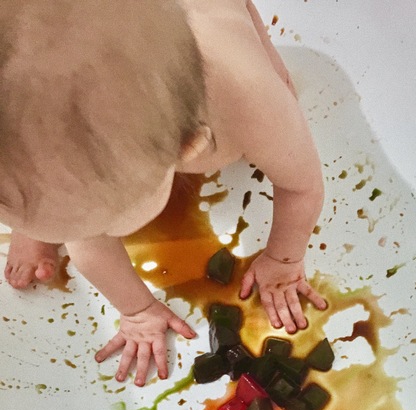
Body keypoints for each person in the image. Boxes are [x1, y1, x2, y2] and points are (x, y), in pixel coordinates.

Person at [0, 0, 326, 386]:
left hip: (218, 21)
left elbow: (302, 187)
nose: (76, 243)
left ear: (187, 147)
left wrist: (283, 259)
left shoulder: (250, 104)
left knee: (276, 79)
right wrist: (137, 311)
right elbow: (92, 254)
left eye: (93, 226)